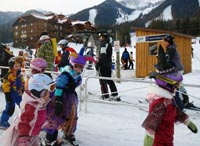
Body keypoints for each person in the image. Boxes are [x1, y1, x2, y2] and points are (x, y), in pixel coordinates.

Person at [142, 45, 198, 146]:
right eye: (176, 85)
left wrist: (186, 121)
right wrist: (148, 140)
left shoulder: (169, 100)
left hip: (168, 140)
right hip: (159, 143)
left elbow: (175, 112)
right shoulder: (160, 103)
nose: (177, 88)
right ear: (167, 83)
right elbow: (151, 124)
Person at [43, 47, 95, 146]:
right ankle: (50, 138)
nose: (78, 69)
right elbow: (59, 87)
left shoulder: (76, 75)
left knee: (71, 116)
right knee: (56, 116)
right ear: (71, 65)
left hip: (70, 98)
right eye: (76, 66)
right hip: (60, 97)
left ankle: (68, 132)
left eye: (81, 68)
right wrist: (58, 100)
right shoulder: (65, 75)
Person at [0, 73, 56, 146]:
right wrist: (23, 139)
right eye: (47, 92)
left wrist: (45, 123)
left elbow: (36, 118)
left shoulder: (40, 104)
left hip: (32, 135)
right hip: (23, 137)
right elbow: (23, 123)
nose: (49, 95)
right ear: (39, 92)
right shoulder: (31, 106)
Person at [163, 34, 195, 110]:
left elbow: (168, 61)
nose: (164, 43)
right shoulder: (170, 48)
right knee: (179, 86)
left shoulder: (171, 49)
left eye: (165, 41)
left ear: (169, 41)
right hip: (177, 69)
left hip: (176, 70)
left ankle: (181, 102)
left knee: (176, 86)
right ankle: (184, 100)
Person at [95, 31, 121, 101]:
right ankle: (114, 94)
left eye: (100, 36)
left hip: (103, 65)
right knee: (109, 80)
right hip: (108, 64)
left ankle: (105, 95)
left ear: (103, 36)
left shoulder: (104, 44)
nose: (99, 38)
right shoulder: (108, 43)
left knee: (103, 81)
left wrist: (98, 64)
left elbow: (103, 55)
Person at [0, 56, 25, 129]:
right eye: (16, 66)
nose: (18, 67)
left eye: (19, 66)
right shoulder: (9, 75)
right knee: (10, 108)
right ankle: (2, 121)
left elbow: (22, 82)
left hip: (18, 94)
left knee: (23, 106)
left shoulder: (19, 74)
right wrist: (8, 95)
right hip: (11, 94)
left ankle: (25, 120)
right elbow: (5, 85)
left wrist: (22, 89)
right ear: (11, 66)